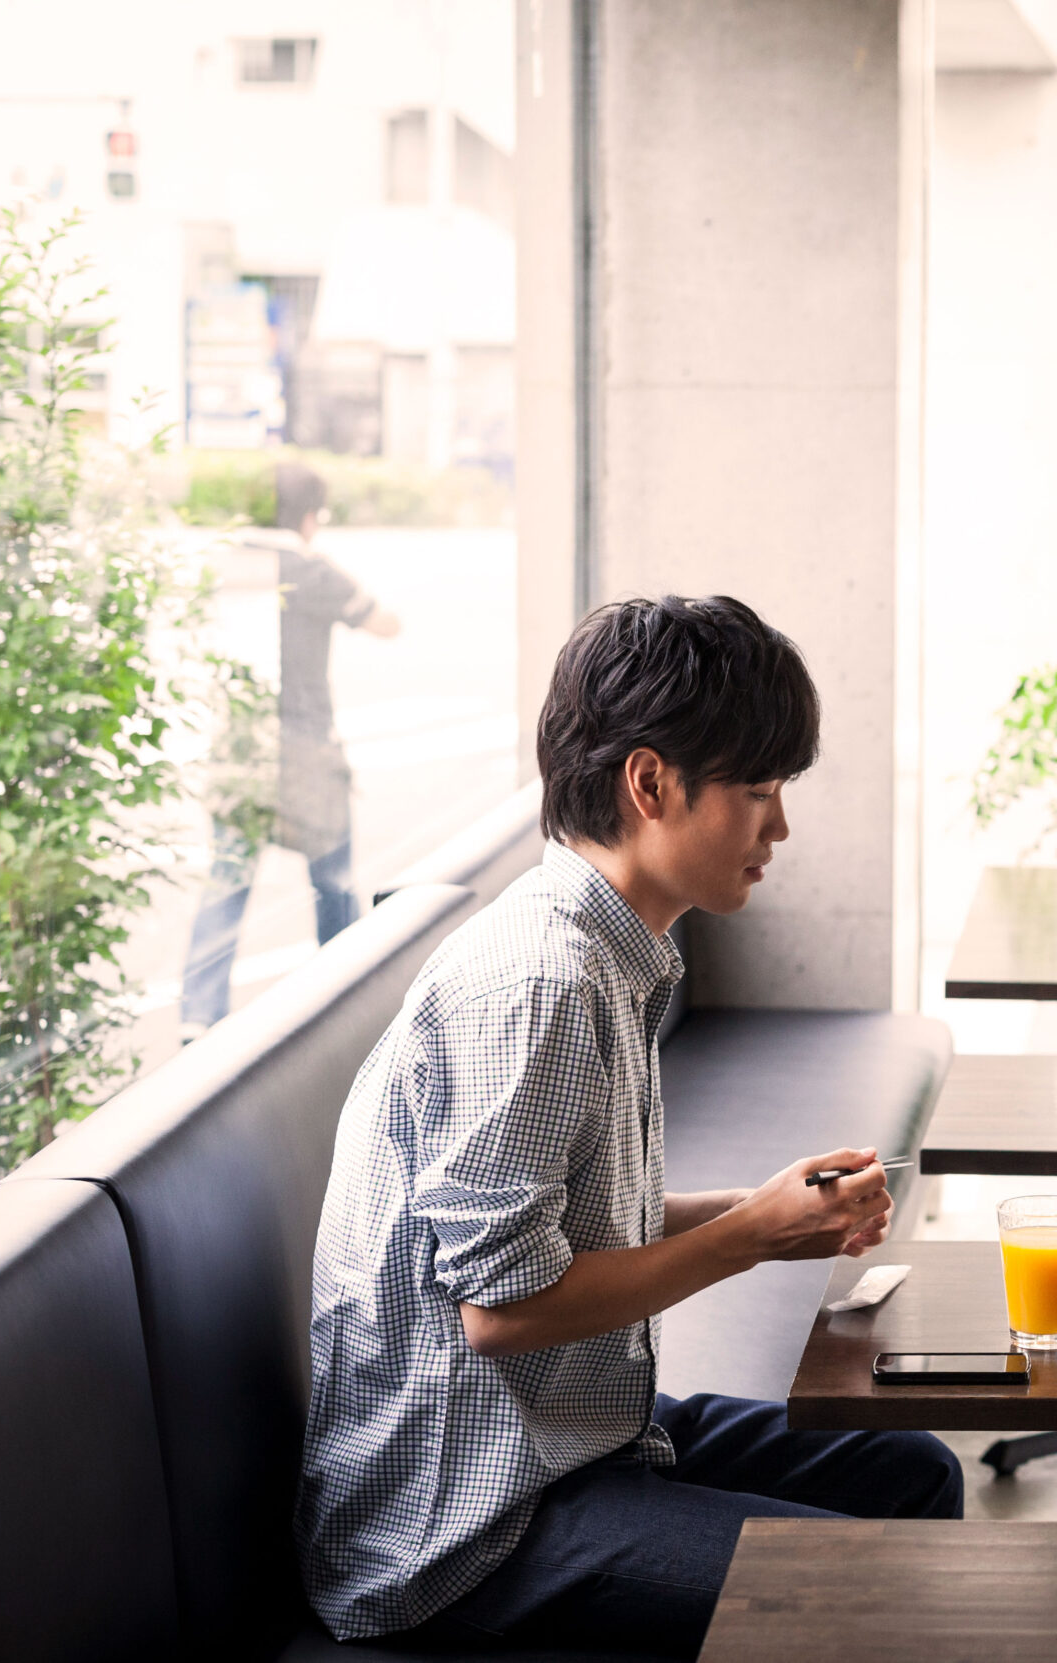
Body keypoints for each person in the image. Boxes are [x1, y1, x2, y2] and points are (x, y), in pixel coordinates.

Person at [296, 596, 963, 1656]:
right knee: (873, 1590)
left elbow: (561, 1226)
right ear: (650, 783)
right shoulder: (541, 981)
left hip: (572, 1441)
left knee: (914, 1470)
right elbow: (503, 1310)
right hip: (466, 1525)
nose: (780, 826)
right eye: (758, 790)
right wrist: (747, 1238)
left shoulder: (607, 950)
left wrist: (765, 1209)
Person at [180, 462, 400, 1035]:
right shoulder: (309, 566)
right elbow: (384, 623)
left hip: (239, 751)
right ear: (307, 515)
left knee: (226, 882)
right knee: (333, 881)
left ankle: (198, 1020)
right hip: (304, 756)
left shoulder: (227, 563)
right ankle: (342, 1001)